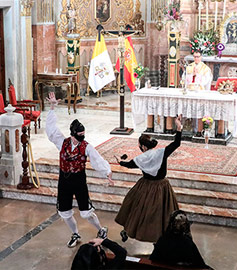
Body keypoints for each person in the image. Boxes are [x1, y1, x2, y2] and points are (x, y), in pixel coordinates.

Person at [46, 92, 113, 248]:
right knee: (65, 212)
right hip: (64, 179)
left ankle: (101, 230)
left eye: (84, 135)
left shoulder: (86, 146)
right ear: (73, 134)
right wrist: (52, 107)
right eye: (80, 135)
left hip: (79, 181)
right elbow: (51, 130)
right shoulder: (62, 142)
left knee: (86, 213)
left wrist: (107, 172)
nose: (83, 137)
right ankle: (75, 233)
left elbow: (97, 159)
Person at [114, 115, 182, 243]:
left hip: (145, 187)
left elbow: (128, 165)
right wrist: (178, 127)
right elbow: (176, 143)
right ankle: (162, 237)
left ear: (144, 147)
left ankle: (128, 230)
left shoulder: (140, 159)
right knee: (163, 213)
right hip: (162, 187)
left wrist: (119, 161)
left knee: (137, 210)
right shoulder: (162, 152)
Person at [185, 51, 213, 136]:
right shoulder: (189, 67)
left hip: (200, 91)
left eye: (198, 57)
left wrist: (197, 75)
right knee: (190, 109)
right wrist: (192, 75)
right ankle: (189, 127)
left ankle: (199, 129)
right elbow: (185, 78)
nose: (196, 58)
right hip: (190, 91)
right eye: (195, 57)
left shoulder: (205, 68)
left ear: (201, 57)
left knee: (199, 110)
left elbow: (206, 80)